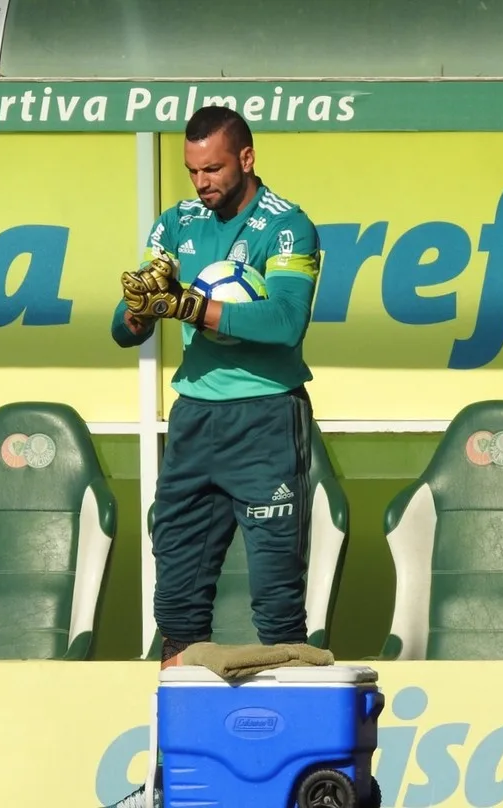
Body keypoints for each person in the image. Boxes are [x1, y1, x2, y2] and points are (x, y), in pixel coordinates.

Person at [107, 105, 322, 808]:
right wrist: (142, 308)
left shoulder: (288, 227)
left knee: (277, 609)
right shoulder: (176, 224)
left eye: (214, 169)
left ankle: (290, 774)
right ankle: (177, 776)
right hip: (195, 418)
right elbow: (126, 325)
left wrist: (191, 308)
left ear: (247, 160)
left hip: (265, 419)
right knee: (178, 607)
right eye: (194, 170)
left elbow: (284, 320)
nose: (202, 182)